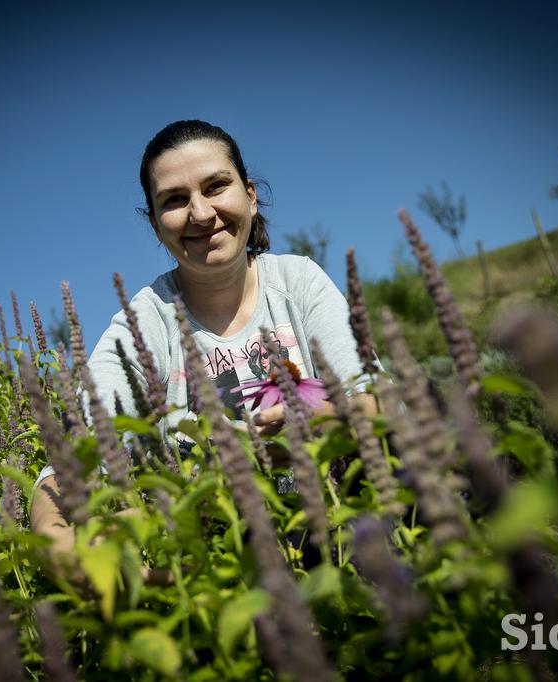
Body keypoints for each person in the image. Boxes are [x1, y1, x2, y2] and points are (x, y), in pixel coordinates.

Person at [30, 120, 376, 548]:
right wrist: (53, 532)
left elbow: (375, 399)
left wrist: (316, 418)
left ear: (250, 196)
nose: (200, 213)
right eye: (175, 200)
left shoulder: (298, 282)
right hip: (220, 555)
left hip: (344, 530)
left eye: (215, 187)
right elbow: (79, 448)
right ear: (156, 224)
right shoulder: (146, 320)